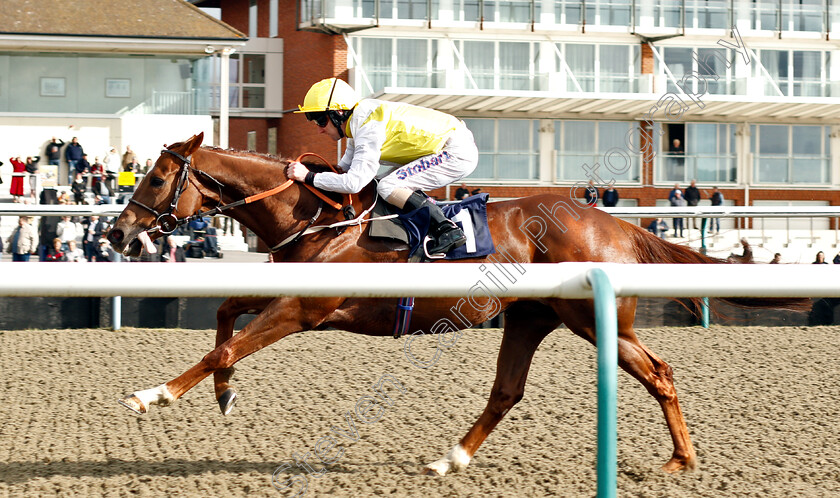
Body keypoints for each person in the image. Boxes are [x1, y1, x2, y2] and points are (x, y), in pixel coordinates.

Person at [287, 78, 478, 256]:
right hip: (446, 146)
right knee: (380, 184)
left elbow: (353, 183)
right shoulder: (357, 121)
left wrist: (308, 177)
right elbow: (344, 168)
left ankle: (447, 229)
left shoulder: (368, 126)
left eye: (321, 120)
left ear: (339, 113)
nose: (319, 129)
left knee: (387, 186)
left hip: (454, 151)